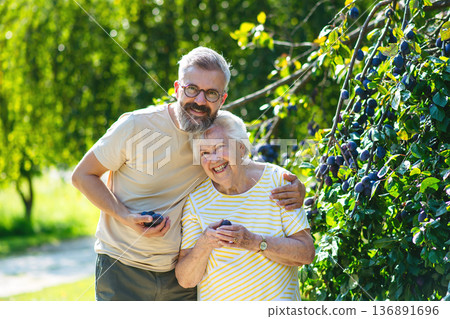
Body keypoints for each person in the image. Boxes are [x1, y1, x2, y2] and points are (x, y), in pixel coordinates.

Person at [71, 47, 306, 301]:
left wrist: (296, 187)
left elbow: (241, 164)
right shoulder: (136, 125)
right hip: (123, 268)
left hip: (180, 279)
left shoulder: (213, 136)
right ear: (176, 88)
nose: (200, 101)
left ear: (222, 99)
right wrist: (124, 215)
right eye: (192, 89)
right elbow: (82, 175)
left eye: (211, 93)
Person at [175, 110, 315, 301]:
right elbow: (186, 279)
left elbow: (305, 253)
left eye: (219, 148)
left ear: (241, 148)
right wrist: (205, 243)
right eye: (205, 153)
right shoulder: (196, 199)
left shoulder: (278, 182)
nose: (213, 159)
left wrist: (254, 242)